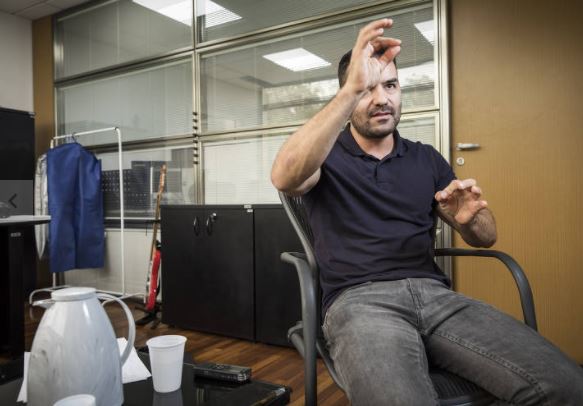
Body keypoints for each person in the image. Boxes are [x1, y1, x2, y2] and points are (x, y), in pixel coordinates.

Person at [271, 18, 583, 406]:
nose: (382, 98)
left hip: (438, 299)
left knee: (568, 384)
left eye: (390, 85)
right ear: (348, 96)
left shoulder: (426, 159)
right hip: (360, 303)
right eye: (367, 89)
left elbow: (487, 237)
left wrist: (470, 220)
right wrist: (351, 88)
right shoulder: (325, 155)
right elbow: (284, 177)